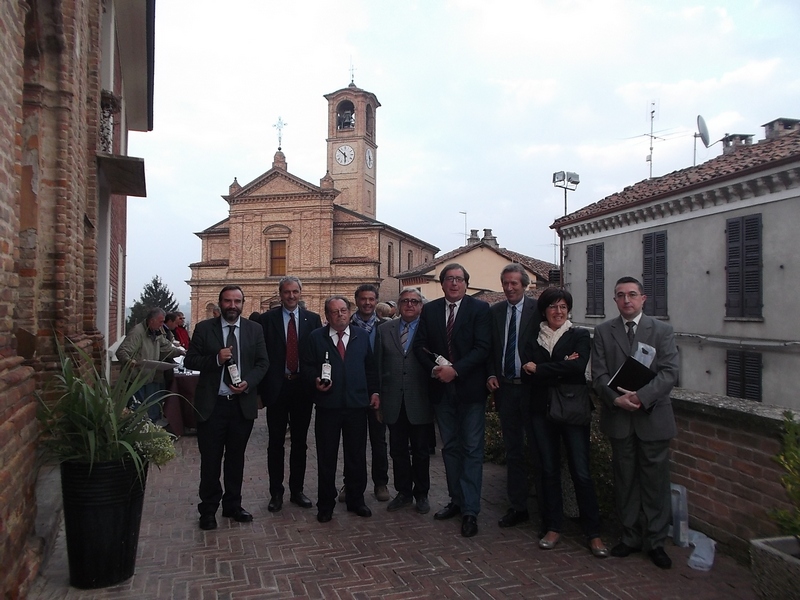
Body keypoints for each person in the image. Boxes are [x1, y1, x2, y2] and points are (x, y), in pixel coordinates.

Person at [592, 276, 679, 569]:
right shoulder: (603, 332)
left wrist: (641, 397)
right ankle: (629, 538)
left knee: (656, 483)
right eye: (620, 295)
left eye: (632, 294)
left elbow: (669, 372)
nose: (626, 300)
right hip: (618, 418)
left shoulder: (662, 331)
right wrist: (614, 399)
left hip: (652, 418)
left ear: (643, 299)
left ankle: (656, 542)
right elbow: (599, 375)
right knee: (625, 481)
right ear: (615, 301)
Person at [521, 287, 608, 558]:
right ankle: (553, 526)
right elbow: (526, 374)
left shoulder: (579, 334)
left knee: (581, 471)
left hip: (572, 409)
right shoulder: (532, 337)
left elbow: (576, 368)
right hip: (540, 411)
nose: (558, 312)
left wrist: (542, 368)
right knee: (547, 470)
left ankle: (593, 533)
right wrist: (561, 364)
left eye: (563, 307)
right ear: (544, 310)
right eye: (553, 307)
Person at [414, 263, 491, 537]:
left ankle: (470, 510)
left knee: (471, 449)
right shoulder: (431, 310)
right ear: (443, 283)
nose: (454, 283)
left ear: (466, 284)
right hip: (440, 391)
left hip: (469, 391)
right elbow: (420, 346)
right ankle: (456, 501)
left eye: (459, 279)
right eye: (449, 279)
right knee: (451, 448)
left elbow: (483, 348)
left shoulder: (480, 310)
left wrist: (455, 370)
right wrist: (435, 370)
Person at [184, 285, 269, 531]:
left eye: (237, 301)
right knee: (210, 461)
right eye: (228, 301)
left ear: (243, 303)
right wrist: (215, 360)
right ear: (220, 303)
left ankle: (233, 505)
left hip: (241, 407)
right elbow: (190, 359)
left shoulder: (255, 330)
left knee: (236, 459)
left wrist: (248, 383)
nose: (233, 306)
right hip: (212, 406)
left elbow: (263, 363)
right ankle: (208, 509)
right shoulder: (204, 328)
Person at [301, 296, 380, 523]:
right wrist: (314, 380)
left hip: (356, 406)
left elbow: (370, 368)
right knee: (327, 457)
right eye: (335, 312)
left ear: (349, 312)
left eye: (344, 310)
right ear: (327, 315)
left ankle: (356, 500)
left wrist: (374, 392)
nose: (340, 315)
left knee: (356, 456)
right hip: (328, 407)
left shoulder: (361, 336)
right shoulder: (316, 338)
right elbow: (306, 367)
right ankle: (325, 504)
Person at [257, 276, 322, 512]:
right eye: (287, 292)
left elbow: (317, 353)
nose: (291, 296)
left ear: (300, 293)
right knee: (275, 443)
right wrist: (260, 391)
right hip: (277, 388)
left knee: (300, 442)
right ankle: (276, 492)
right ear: (280, 293)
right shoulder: (267, 320)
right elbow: (261, 357)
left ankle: (297, 490)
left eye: (295, 292)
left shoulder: (312, 320)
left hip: (302, 389)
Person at [486, 264, 542, 529]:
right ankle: (518, 506)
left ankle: (545, 507)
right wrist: (490, 375)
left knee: (541, 448)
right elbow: (490, 349)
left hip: (533, 390)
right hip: (507, 390)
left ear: (525, 285)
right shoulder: (495, 312)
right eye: (505, 283)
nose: (509, 288)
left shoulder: (538, 310)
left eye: (514, 284)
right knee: (514, 450)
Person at [375, 288, 433, 514]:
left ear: (421, 306)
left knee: (420, 450)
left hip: (420, 399)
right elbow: (378, 365)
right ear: (398, 305)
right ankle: (403, 492)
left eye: (414, 302)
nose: (410, 305)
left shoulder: (429, 329)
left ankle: (422, 494)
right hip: (393, 400)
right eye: (405, 301)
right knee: (397, 450)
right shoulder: (384, 330)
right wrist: (378, 396)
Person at [349, 284, 390, 502]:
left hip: (378, 393)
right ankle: (351, 483)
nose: (367, 303)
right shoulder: (345, 325)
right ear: (356, 300)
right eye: (363, 299)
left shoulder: (386, 327)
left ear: (376, 301)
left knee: (379, 441)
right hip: (353, 393)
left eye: (371, 299)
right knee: (353, 442)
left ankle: (381, 483)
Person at [116, 307, 183, 422]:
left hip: (150, 378)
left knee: (151, 413)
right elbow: (122, 351)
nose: (162, 325)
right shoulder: (137, 332)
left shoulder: (156, 332)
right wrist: (129, 361)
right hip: (135, 380)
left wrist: (181, 352)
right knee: (135, 415)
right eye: (161, 322)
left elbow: (166, 347)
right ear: (152, 320)